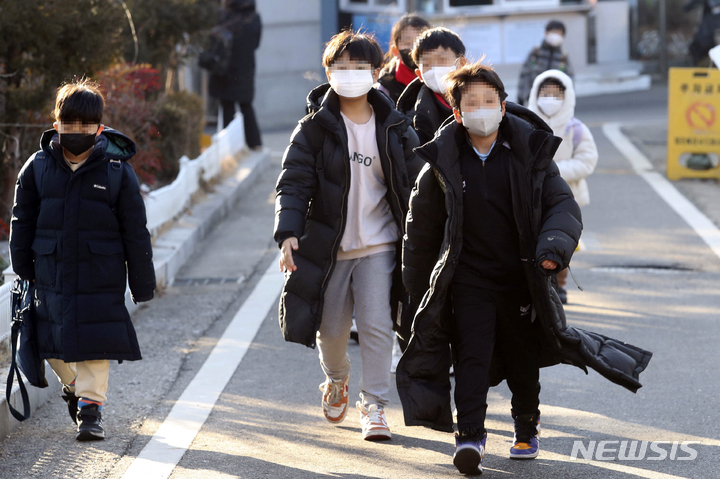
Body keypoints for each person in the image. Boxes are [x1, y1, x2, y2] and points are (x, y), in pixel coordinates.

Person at [396, 61, 652, 475]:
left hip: (520, 278)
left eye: (489, 100)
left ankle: (525, 427)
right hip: (468, 279)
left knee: (521, 358)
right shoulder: (441, 163)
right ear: (456, 113)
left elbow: (562, 205)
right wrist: (414, 289)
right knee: (471, 358)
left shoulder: (529, 153)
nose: (482, 109)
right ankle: (470, 437)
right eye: (471, 103)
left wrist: (553, 248)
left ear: (502, 104)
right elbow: (420, 228)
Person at [273, 30, 422, 441]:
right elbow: (293, 182)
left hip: (380, 245)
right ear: (329, 72)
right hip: (329, 248)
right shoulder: (314, 128)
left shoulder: (394, 125)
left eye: (360, 67)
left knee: (376, 325)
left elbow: (416, 184)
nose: (351, 74)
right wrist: (287, 233)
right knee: (333, 330)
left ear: (377, 72)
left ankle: (373, 406)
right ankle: (336, 378)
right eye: (342, 67)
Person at [9, 79, 156, 441]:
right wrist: (22, 266)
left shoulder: (117, 170)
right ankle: (75, 387)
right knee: (47, 340)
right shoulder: (37, 167)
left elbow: (135, 230)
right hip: (50, 271)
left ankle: (90, 410)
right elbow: (21, 219)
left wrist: (142, 283)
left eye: (85, 126)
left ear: (99, 128)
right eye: (69, 124)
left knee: (95, 341)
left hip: (100, 273)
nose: (77, 132)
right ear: (56, 124)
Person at [527, 69, 598, 304]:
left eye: (556, 94)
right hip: (533, 198)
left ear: (567, 97)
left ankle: (560, 285)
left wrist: (555, 171)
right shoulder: (525, 126)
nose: (550, 99)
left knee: (563, 242)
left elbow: (587, 161)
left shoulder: (575, 128)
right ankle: (540, 284)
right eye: (544, 93)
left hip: (568, 199)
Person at [397, 27, 466, 146]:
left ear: (461, 64)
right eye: (427, 64)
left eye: (441, 60)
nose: (435, 69)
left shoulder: (485, 99)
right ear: (420, 74)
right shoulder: (411, 120)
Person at [208, 0, 262, 149]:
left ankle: (229, 147)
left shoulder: (224, 17)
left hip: (225, 69)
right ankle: (255, 143)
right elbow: (256, 43)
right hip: (245, 68)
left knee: (227, 107)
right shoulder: (254, 18)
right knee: (246, 106)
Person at [375, 13, 431, 105]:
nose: (415, 48)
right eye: (408, 43)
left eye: (421, 42)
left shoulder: (439, 82)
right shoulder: (383, 89)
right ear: (395, 51)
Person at [517, 20, 573, 106]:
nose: (556, 36)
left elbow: (569, 80)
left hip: (556, 101)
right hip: (534, 99)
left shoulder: (563, 57)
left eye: (559, 34)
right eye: (554, 32)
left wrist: (569, 100)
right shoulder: (536, 53)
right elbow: (525, 75)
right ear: (546, 33)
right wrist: (521, 97)